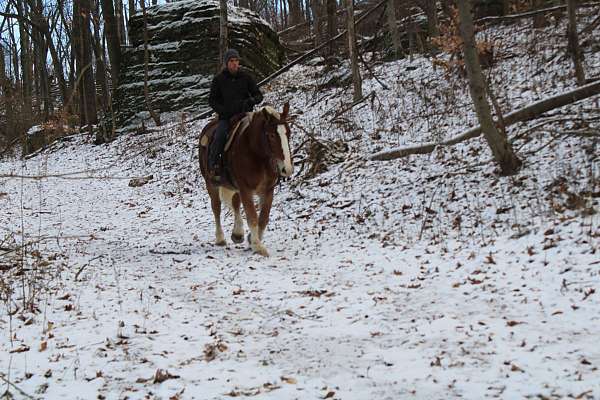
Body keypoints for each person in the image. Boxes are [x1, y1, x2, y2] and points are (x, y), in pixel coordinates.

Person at [208, 49, 263, 180]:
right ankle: (214, 165)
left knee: (261, 132)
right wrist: (223, 110)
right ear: (227, 63)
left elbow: (259, 95)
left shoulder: (246, 77)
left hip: (245, 115)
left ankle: (268, 165)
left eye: (236, 61)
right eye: (232, 61)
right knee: (220, 135)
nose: (234, 64)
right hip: (227, 118)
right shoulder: (219, 80)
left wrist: (251, 100)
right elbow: (212, 100)